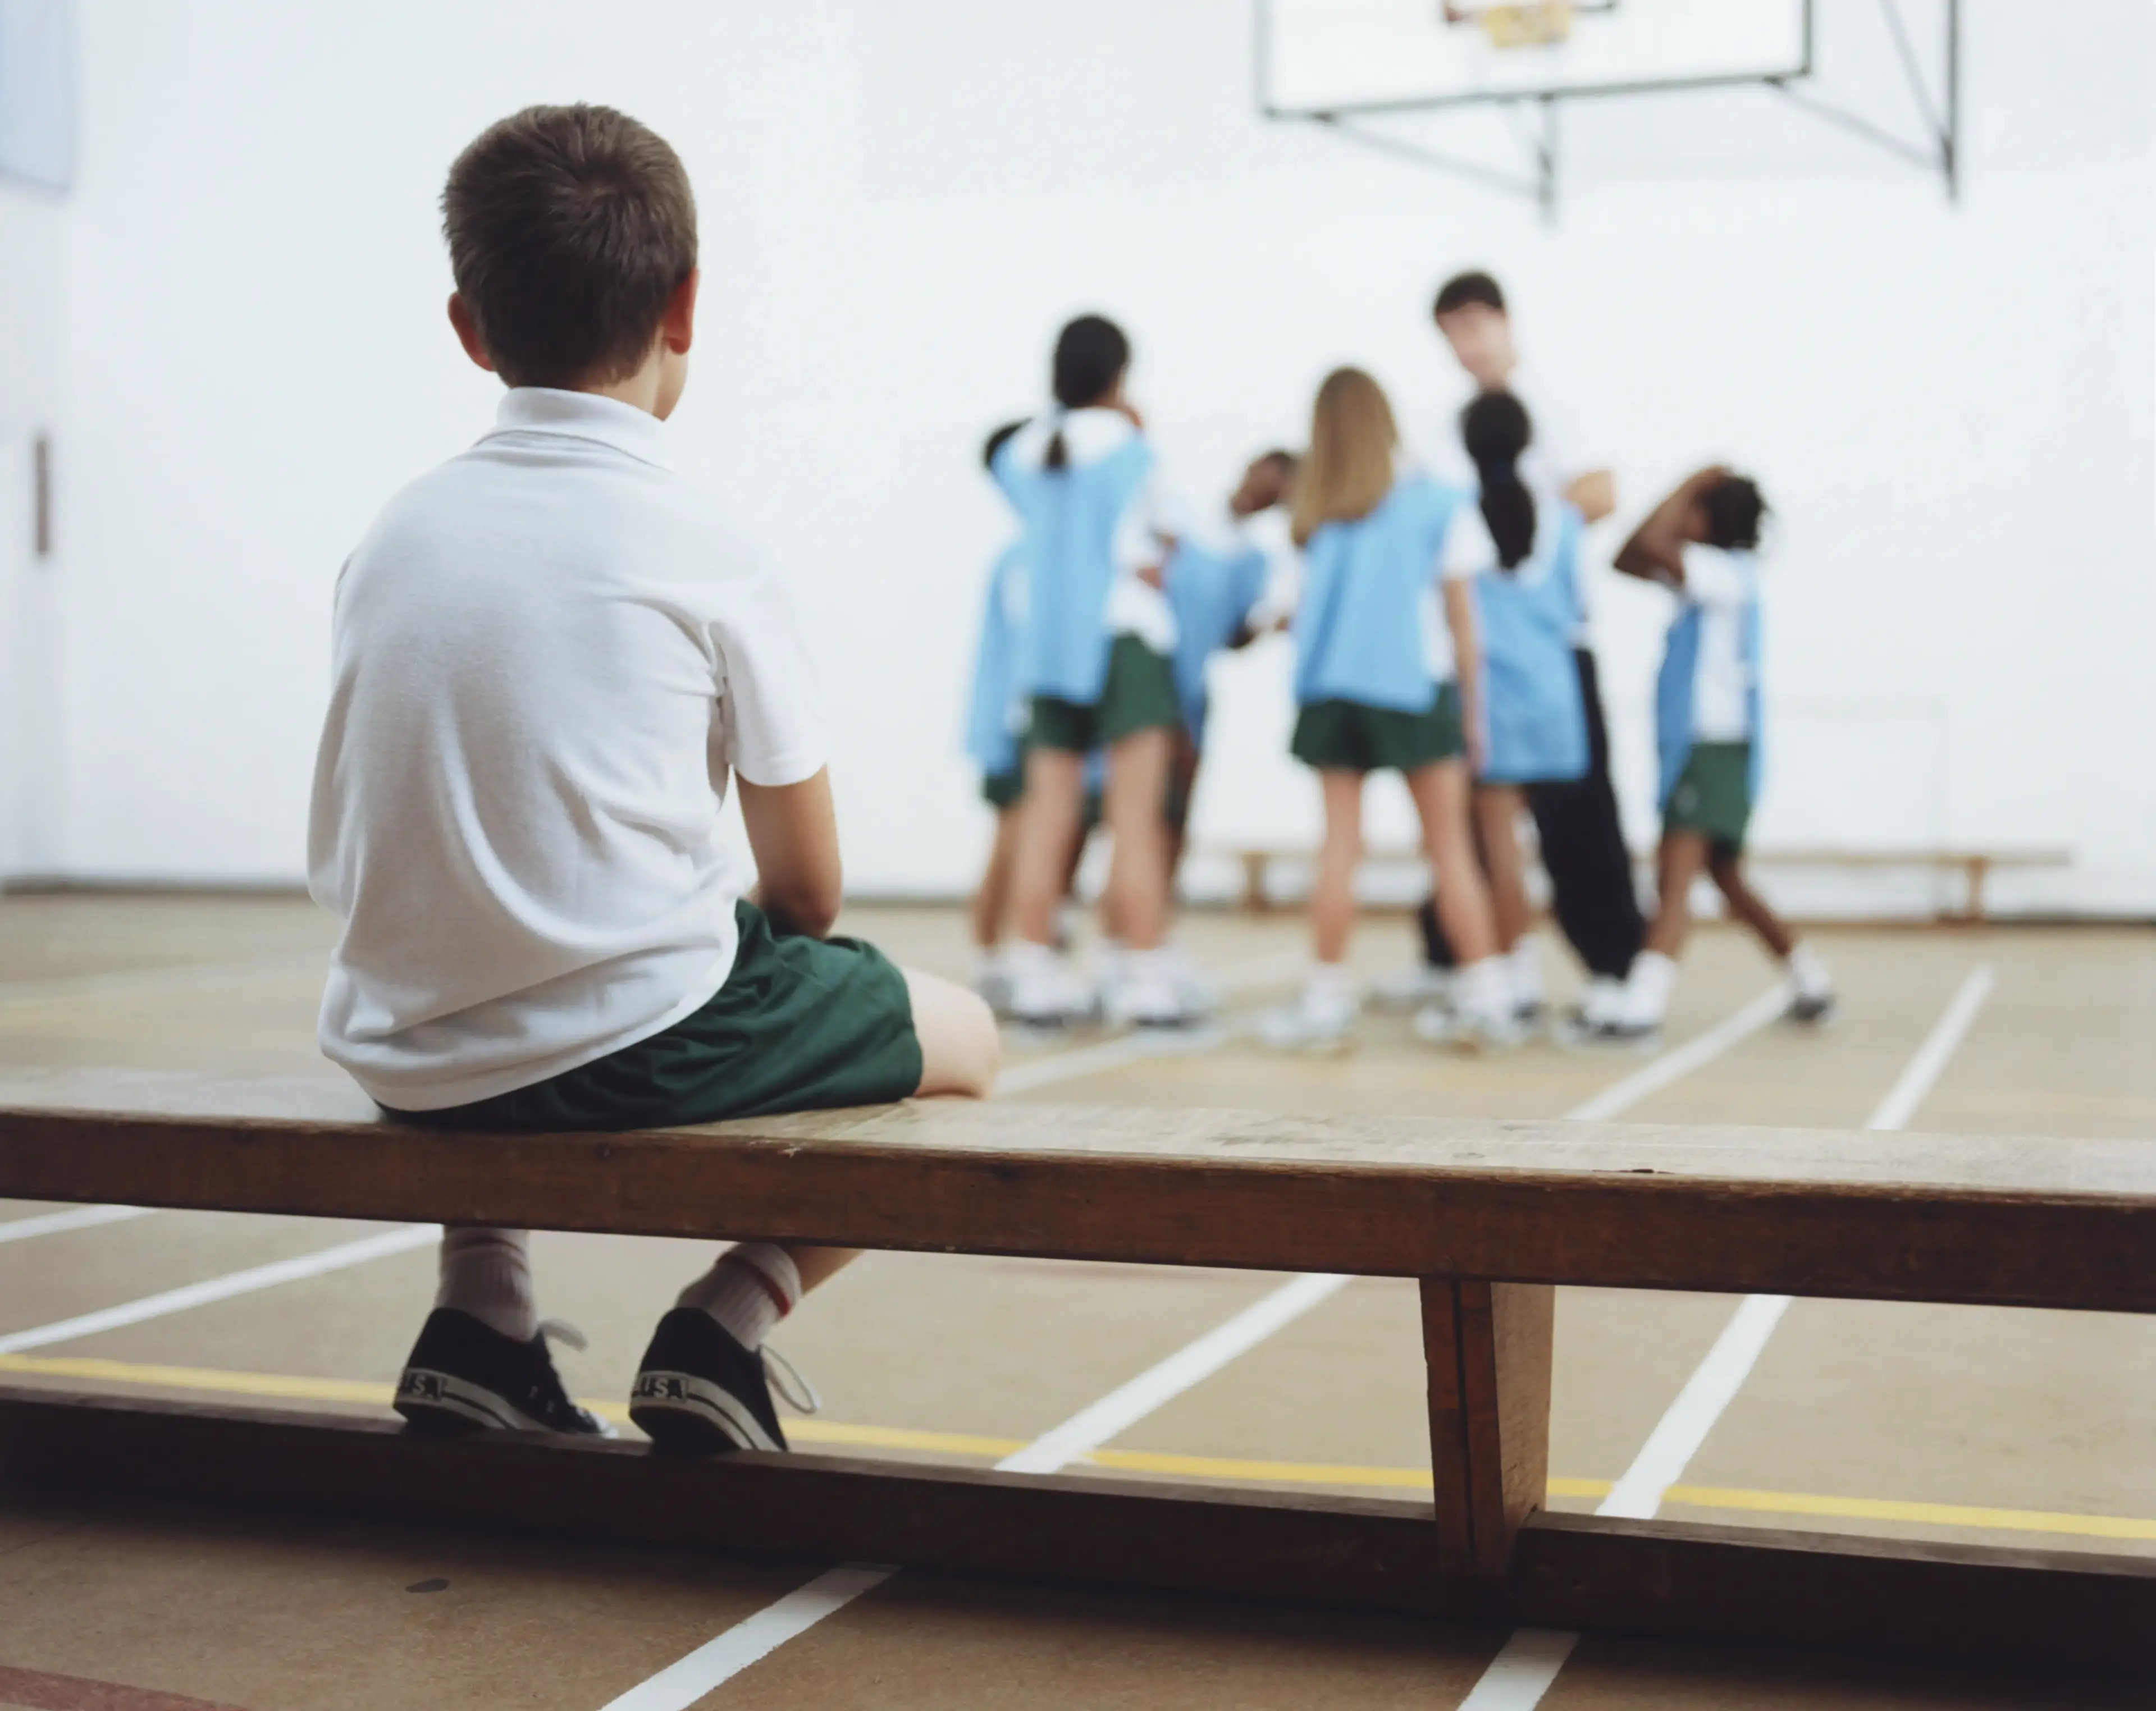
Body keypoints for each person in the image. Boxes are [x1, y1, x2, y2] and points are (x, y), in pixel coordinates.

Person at [307, 106, 999, 1454]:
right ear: (686, 303)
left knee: (500, 940)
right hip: (621, 1042)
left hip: (405, 1049)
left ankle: (480, 1314)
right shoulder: (707, 544)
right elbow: (808, 890)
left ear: (469, 326)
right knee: (964, 1043)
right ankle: (721, 1324)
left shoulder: (391, 536)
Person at [1399, 270, 1643, 1030]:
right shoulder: (1447, 429)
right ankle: (1481, 963)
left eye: (1475, 326)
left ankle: (1607, 965)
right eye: (1452, 334)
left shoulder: (1555, 406)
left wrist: (1512, 519)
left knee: (1575, 824)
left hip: (1540, 653)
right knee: (1476, 834)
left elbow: (1601, 492)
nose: (1466, 346)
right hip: (1481, 656)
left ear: (1504, 322)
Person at [1259, 368, 1514, 1053]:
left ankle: (1324, 1000)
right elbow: (1464, 624)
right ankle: (1488, 995)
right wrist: (1476, 715)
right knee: (1450, 848)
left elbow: (1289, 613)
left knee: (1339, 847)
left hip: (1334, 693)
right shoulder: (1438, 502)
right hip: (1414, 690)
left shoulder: (1312, 513)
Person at [992, 315, 1194, 1028]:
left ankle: (1036, 972)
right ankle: (1141, 976)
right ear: (1119, 374)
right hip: (1123, 640)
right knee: (1135, 818)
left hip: (1047, 646)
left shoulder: (1020, 450)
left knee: (1047, 819)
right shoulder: (1132, 449)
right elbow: (1169, 536)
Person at [1604, 466, 1836, 1036]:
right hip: (1712, 751)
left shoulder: (1720, 573)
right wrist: (1686, 494)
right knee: (1727, 879)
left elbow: (1653, 543)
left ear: (1708, 518)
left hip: (1712, 750)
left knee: (1675, 880)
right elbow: (1626, 557)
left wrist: (1683, 484)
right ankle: (1810, 978)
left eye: (1693, 510)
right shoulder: (1711, 577)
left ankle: (1642, 1007)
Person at [1455, 391, 1592, 1031]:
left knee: (1498, 856)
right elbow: (1576, 613)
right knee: (1556, 849)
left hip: (1494, 703)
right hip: (1555, 698)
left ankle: (1517, 982)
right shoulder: (1565, 521)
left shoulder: (1458, 517)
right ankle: (1554, 977)